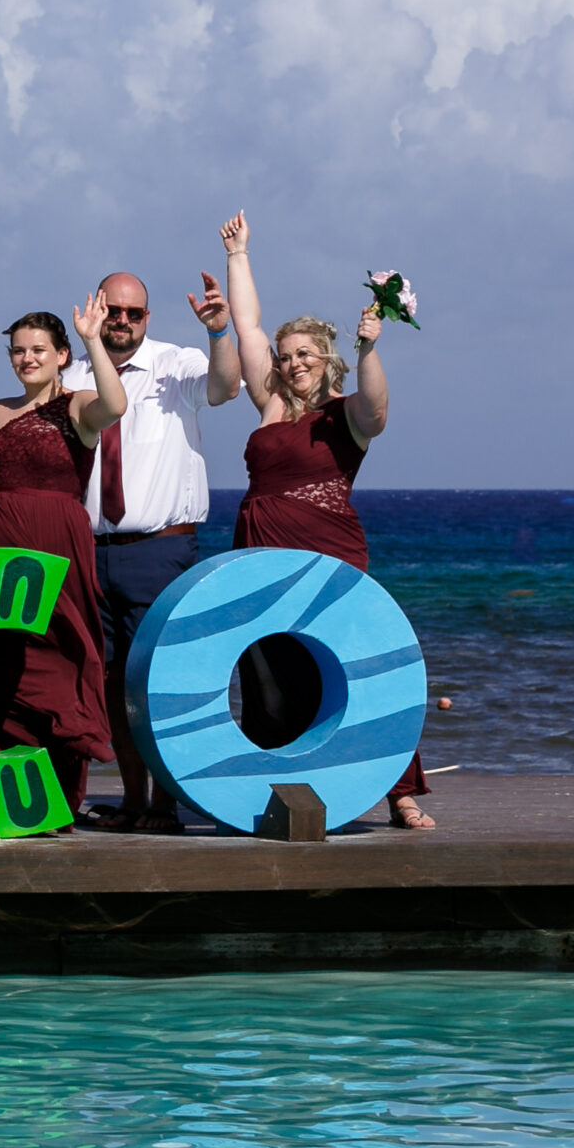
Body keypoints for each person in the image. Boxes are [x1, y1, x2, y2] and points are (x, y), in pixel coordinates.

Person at [221, 212, 435, 829]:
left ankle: (399, 792)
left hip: (328, 552)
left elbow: (379, 404)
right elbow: (249, 325)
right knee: (267, 664)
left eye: (304, 354)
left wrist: (370, 348)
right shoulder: (268, 405)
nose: (292, 364)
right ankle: (284, 777)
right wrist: (239, 255)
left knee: (353, 662)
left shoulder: (347, 416)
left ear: (327, 359)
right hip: (258, 549)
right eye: (286, 357)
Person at [0, 302, 131, 829]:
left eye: (38, 350)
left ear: (61, 355)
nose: (27, 358)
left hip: (58, 547)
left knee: (59, 664)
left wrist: (92, 340)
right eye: (18, 350)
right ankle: (1, 787)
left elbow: (117, 403)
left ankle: (58, 798)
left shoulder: (79, 406)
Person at [59, 268, 242, 831]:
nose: (121, 322)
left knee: (161, 679)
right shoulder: (72, 373)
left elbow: (226, 386)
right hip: (90, 549)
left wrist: (218, 333)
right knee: (108, 681)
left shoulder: (176, 363)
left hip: (158, 550)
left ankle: (166, 804)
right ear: (95, 308)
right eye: (112, 311)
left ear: (147, 317)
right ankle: (134, 800)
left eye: (132, 313)